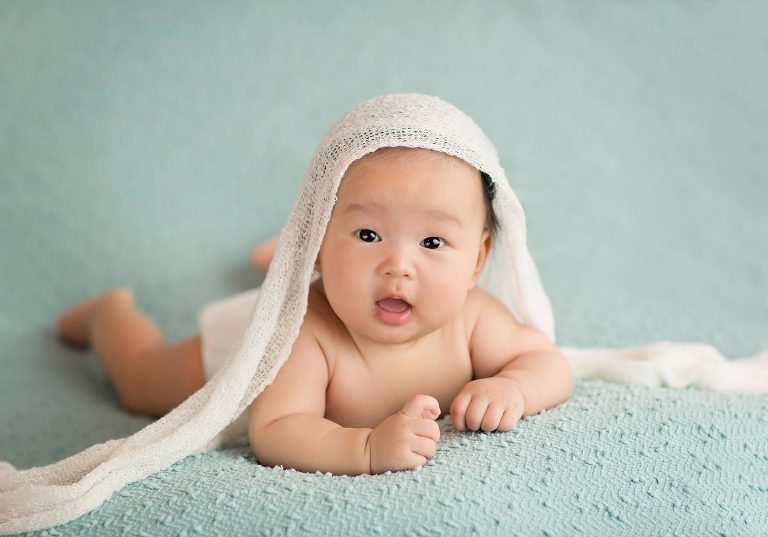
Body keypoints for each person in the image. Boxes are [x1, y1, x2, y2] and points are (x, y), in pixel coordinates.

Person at [56, 143, 573, 476]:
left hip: (337, 281)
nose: (399, 267)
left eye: (433, 242)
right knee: (142, 383)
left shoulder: (473, 317)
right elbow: (276, 427)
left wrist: (512, 387)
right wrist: (365, 449)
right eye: (368, 234)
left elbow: (546, 361)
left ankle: (289, 252)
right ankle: (109, 314)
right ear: (317, 243)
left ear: (479, 257)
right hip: (245, 349)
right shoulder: (305, 332)